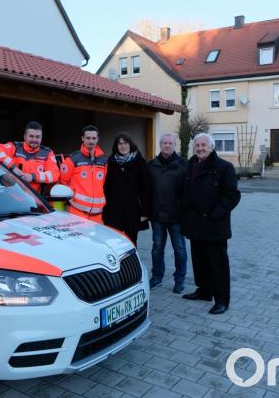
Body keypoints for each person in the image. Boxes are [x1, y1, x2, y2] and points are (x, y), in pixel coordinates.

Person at [180, 133, 241, 315]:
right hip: (196, 224)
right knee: (199, 261)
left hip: (215, 225)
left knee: (218, 264)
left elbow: (232, 195)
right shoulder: (190, 165)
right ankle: (204, 291)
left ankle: (222, 299)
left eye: (204, 145)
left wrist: (215, 214)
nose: (200, 148)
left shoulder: (224, 167)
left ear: (212, 146)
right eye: (197, 145)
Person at [147, 133, 188, 293]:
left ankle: (180, 280)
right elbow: (147, 191)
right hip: (157, 216)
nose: (167, 145)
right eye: (164, 143)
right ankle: (157, 278)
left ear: (175, 145)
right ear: (160, 145)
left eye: (170, 143)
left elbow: (187, 191)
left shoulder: (183, 165)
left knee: (180, 249)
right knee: (157, 248)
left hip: (176, 217)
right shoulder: (152, 165)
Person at [102, 132, 150, 245]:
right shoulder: (111, 162)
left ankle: (130, 263)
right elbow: (106, 188)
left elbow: (146, 188)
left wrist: (145, 213)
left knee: (131, 242)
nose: (123, 146)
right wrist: (104, 210)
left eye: (125, 143)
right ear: (116, 146)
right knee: (113, 242)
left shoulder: (140, 162)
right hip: (113, 212)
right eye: (120, 144)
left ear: (130, 144)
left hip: (133, 211)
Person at [0, 121, 60, 194]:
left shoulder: (47, 153)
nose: (34, 140)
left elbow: (54, 175)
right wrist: (13, 167)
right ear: (25, 136)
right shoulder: (15, 147)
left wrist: (33, 177)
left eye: (38, 137)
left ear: (41, 137)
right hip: (12, 195)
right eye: (31, 136)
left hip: (35, 200)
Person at [60, 125, 107, 222]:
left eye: (94, 138)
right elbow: (62, 182)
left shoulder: (104, 160)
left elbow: (104, 183)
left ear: (97, 139)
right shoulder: (73, 159)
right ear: (82, 138)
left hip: (97, 214)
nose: (91, 141)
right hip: (77, 212)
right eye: (88, 138)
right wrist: (69, 200)